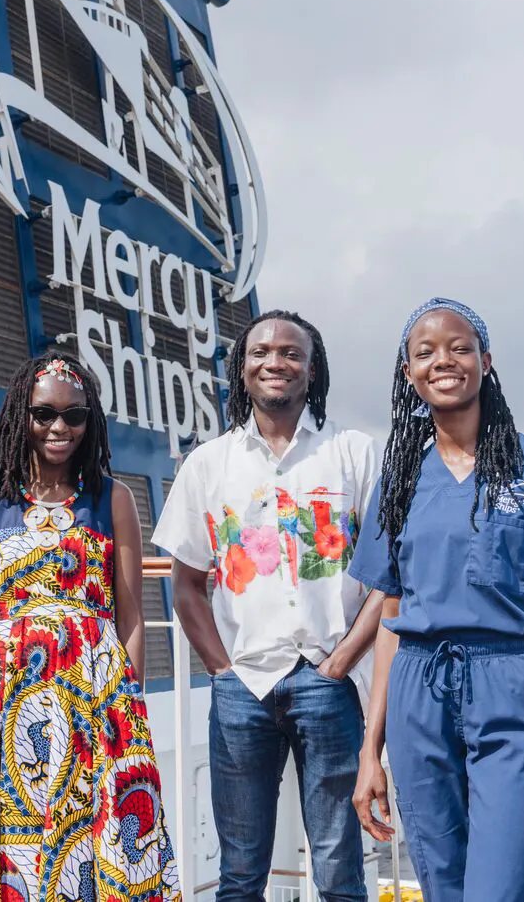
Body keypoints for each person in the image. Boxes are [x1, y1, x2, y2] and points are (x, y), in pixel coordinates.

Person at [349, 298, 524, 902]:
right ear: (407, 374)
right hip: (417, 690)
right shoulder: (400, 478)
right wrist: (369, 751)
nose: (443, 361)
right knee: (444, 885)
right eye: (424, 352)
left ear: (486, 360)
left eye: (459, 347)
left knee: (504, 885)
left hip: (511, 685)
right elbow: (390, 615)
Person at [0, 351, 179, 902]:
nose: (59, 427)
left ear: (90, 421)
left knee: (88, 827)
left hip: (93, 697)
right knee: (6, 829)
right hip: (3, 700)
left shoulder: (115, 499)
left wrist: (124, 702)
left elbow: (129, 616)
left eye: (74, 416)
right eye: (44, 415)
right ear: (21, 415)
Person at [156, 310, 383, 902]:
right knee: (240, 875)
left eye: (291, 353)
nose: (275, 362)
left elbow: (390, 578)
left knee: (339, 874)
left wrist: (342, 662)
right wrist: (220, 669)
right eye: (261, 352)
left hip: (331, 681)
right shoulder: (209, 463)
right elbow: (185, 584)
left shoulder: (354, 454)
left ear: (312, 370)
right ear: (242, 368)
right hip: (242, 688)